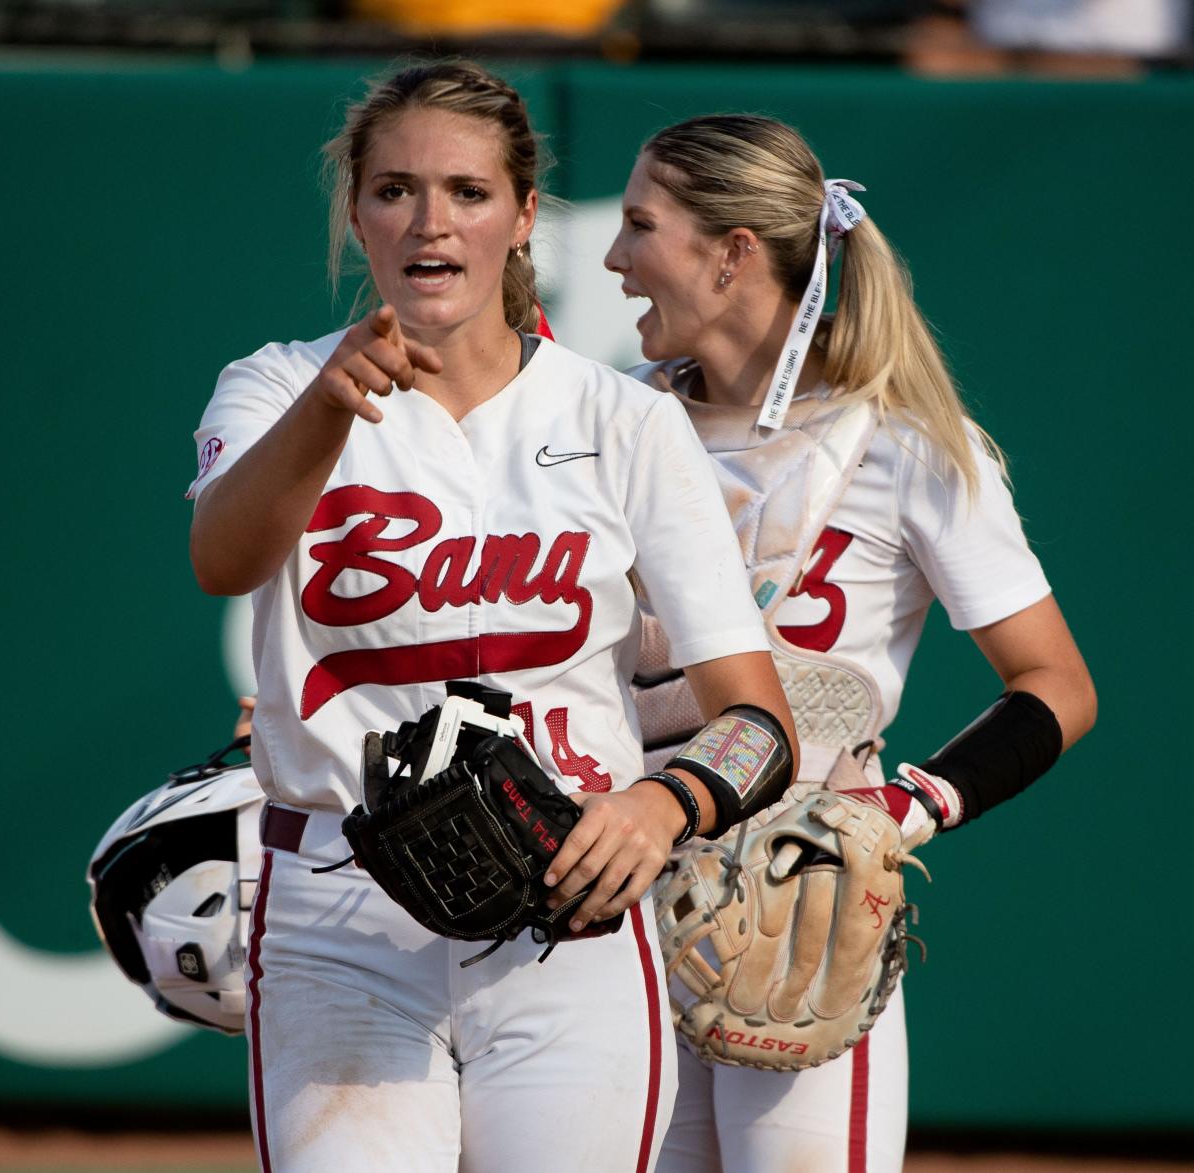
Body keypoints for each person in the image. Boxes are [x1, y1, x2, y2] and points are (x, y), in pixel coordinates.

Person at [187, 64, 799, 1173]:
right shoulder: (275, 387)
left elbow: (758, 722)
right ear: (356, 211)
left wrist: (666, 805)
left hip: (573, 909)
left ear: (523, 218)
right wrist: (330, 405)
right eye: (394, 190)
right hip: (338, 911)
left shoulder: (623, 421)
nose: (431, 222)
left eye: (468, 192)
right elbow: (223, 559)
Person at [603, 114, 1097, 1173]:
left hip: (797, 904)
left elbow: (1056, 685)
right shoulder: (605, 428)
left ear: (733, 252)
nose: (613, 257)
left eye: (641, 225)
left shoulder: (908, 445)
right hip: (609, 896)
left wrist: (901, 808)